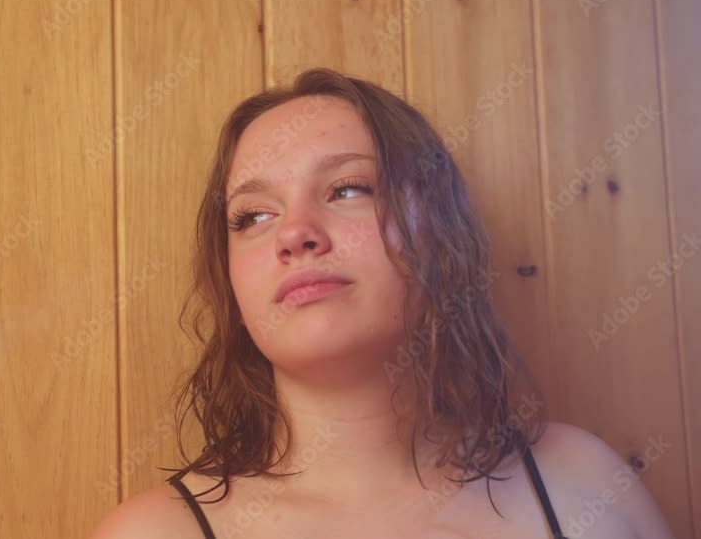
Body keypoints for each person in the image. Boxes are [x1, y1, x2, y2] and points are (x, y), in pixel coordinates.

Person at [89, 68, 676, 539]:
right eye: (253, 216)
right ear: (233, 289)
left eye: (348, 188)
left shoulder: (585, 485)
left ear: (438, 235)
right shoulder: (153, 533)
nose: (295, 233)